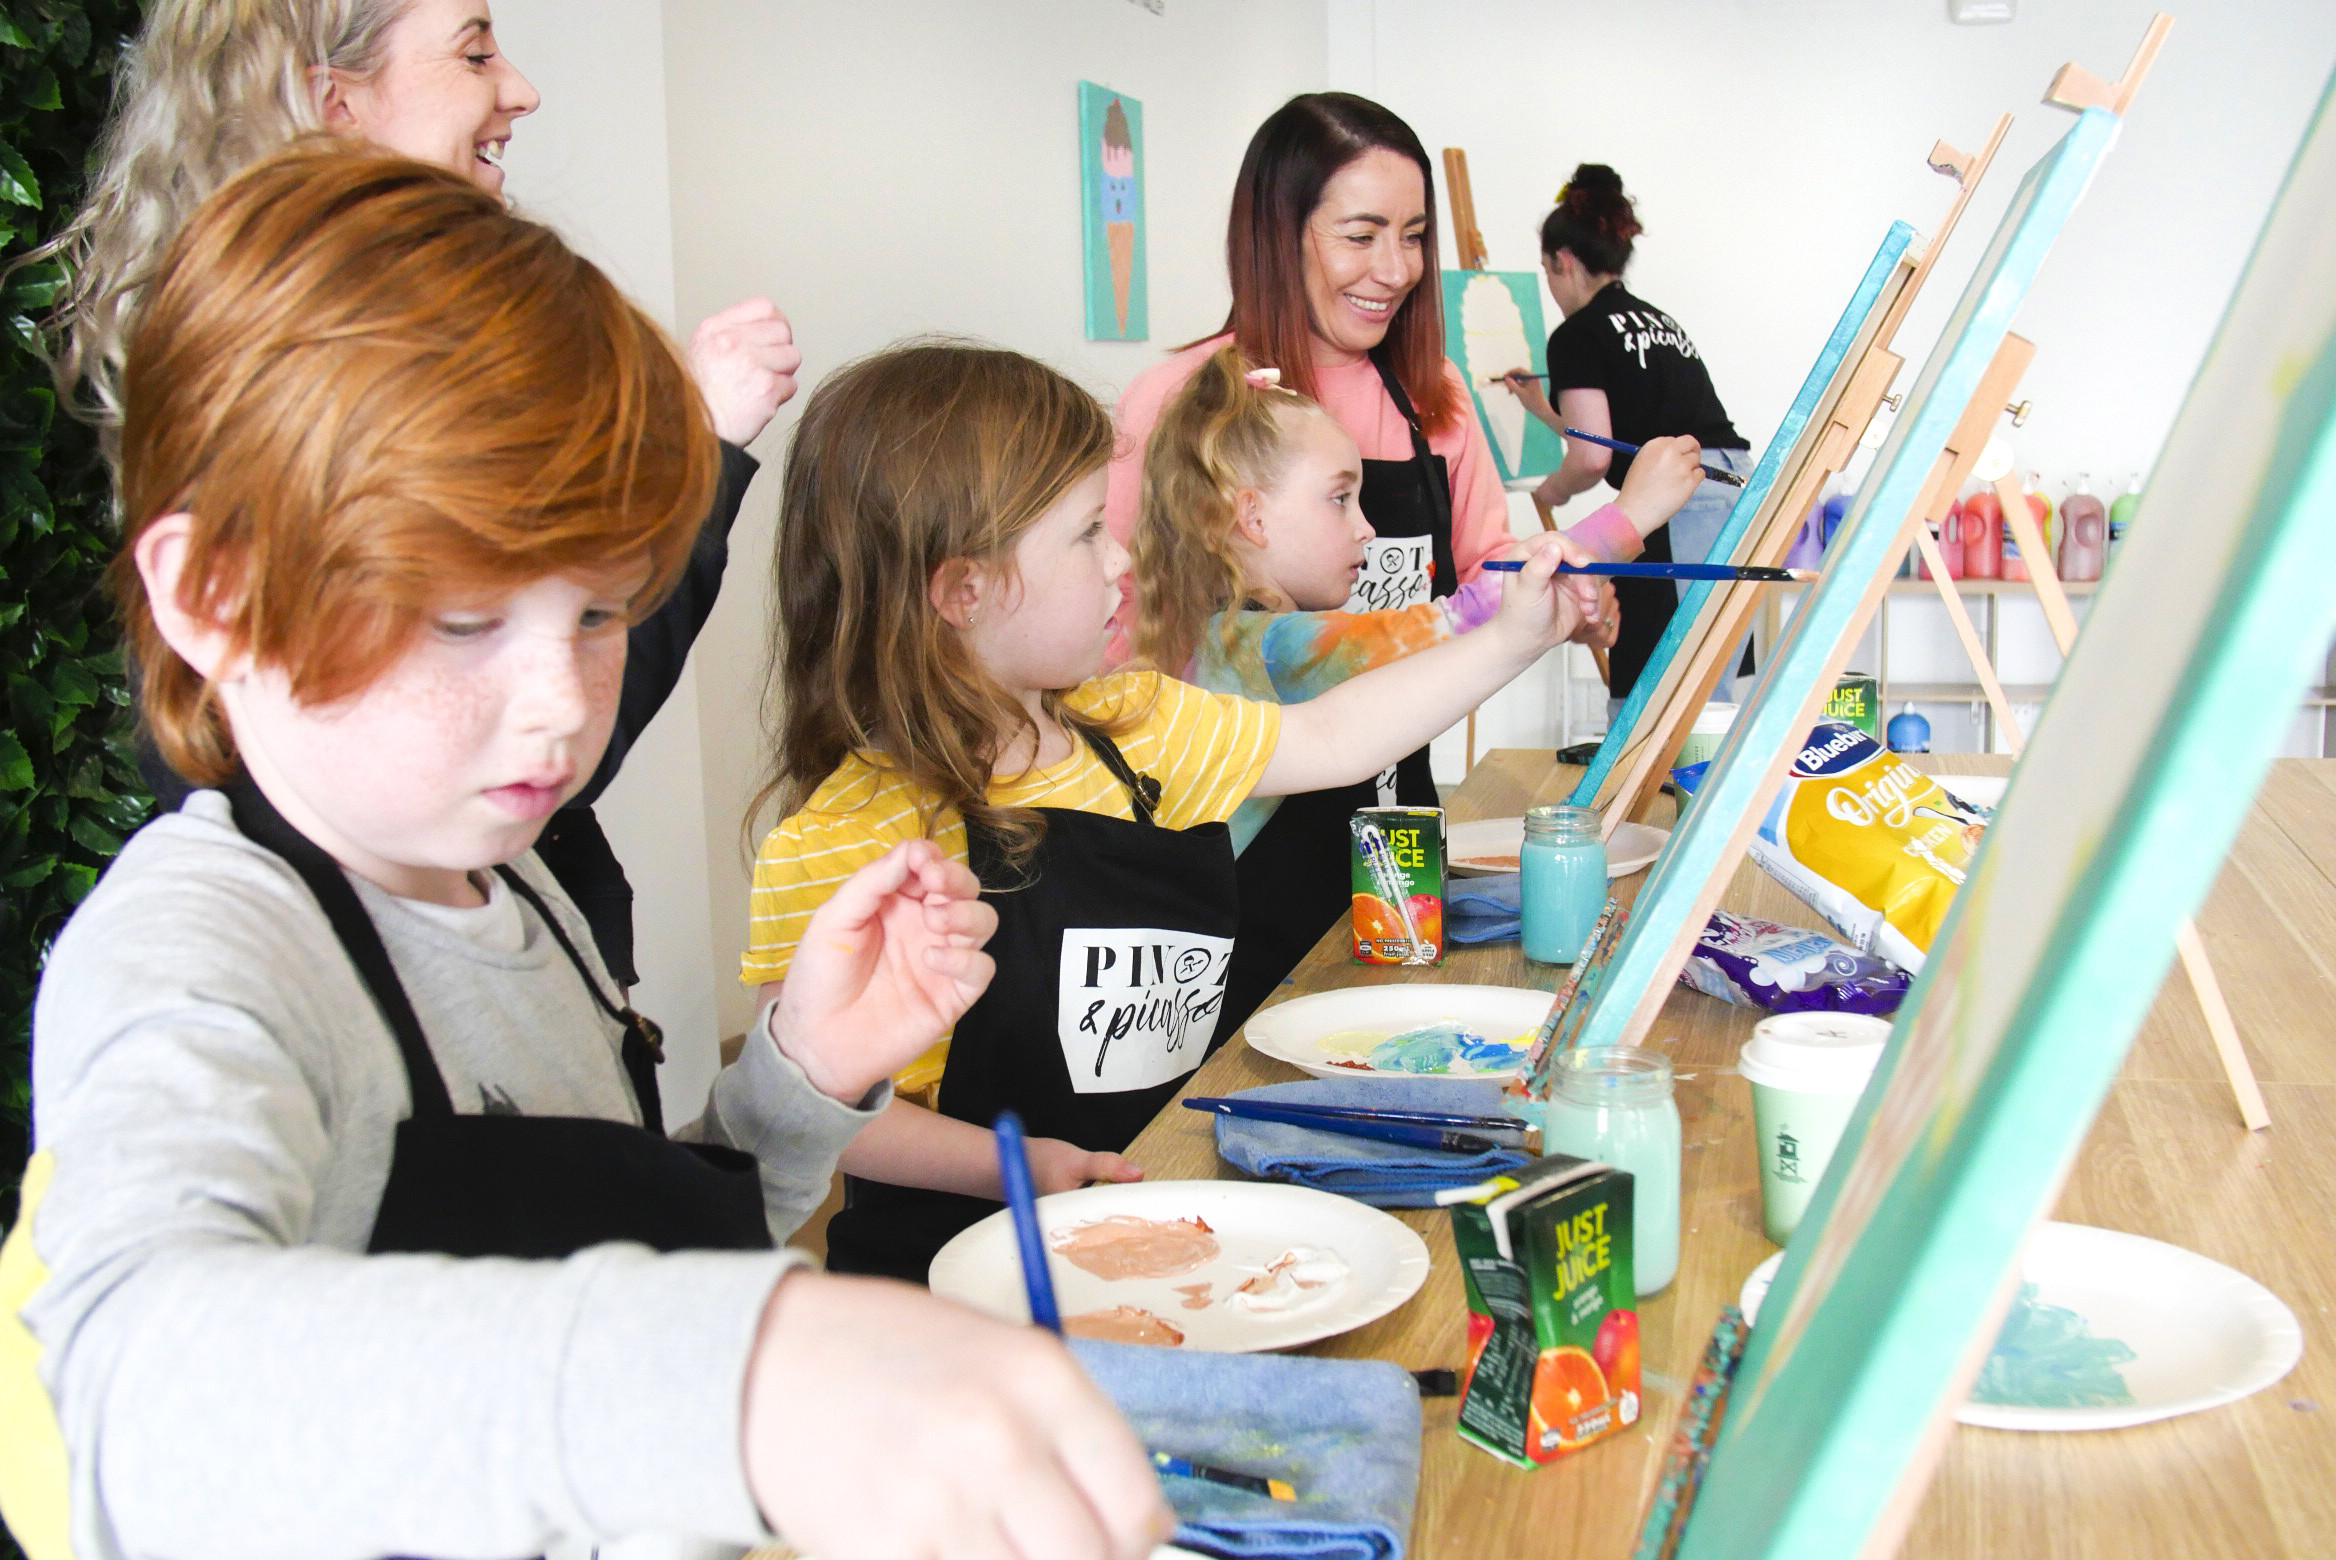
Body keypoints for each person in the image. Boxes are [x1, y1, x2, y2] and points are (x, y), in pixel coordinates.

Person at [0, 147, 1169, 1560]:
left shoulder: (515, 881)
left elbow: (625, 1246)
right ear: (213, 600)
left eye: (604, 615)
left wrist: (797, 1087)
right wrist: (740, 1371)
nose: (562, 704)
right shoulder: (201, 953)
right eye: (460, 622)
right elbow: (145, 1395)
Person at [740, 341, 1603, 1283]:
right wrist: (1022, 1168)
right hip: (963, 1275)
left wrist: (1517, 637)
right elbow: (829, 1112)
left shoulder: (1138, 723)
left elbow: (1335, 738)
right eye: (1082, 534)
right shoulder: (846, 839)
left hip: (1168, 1219)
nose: (1120, 559)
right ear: (964, 589)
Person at [47, 0, 801, 987]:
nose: (520, 89)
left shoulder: (515, 921)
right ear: (336, 100)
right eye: (475, 49)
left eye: (597, 609)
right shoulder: (221, 972)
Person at [1104, 92, 1626, 1032]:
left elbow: (1485, 567)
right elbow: (1107, 655)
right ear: (1280, 232)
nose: (1396, 270)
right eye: (1362, 234)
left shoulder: (1438, 396)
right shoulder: (1177, 400)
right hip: (1230, 856)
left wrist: (1558, 583)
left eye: (1415, 235)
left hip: (1393, 828)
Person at [1130, 347, 1701, 1028]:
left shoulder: (1250, 637)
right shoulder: (1268, 647)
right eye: (1340, 499)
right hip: (1248, 985)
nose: (1367, 528)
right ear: (1251, 518)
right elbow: (1451, 622)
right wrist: (1628, 517)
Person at [1500, 164, 1753, 706]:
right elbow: (1614, 433)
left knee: (1657, 690)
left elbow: (1591, 457)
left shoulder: (1577, 335)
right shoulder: (1657, 320)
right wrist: (1543, 410)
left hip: (1682, 496)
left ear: (1563, 262)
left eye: (1548, 272)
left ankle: (1642, 789)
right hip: (1734, 488)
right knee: (1714, 678)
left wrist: (1553, 491)